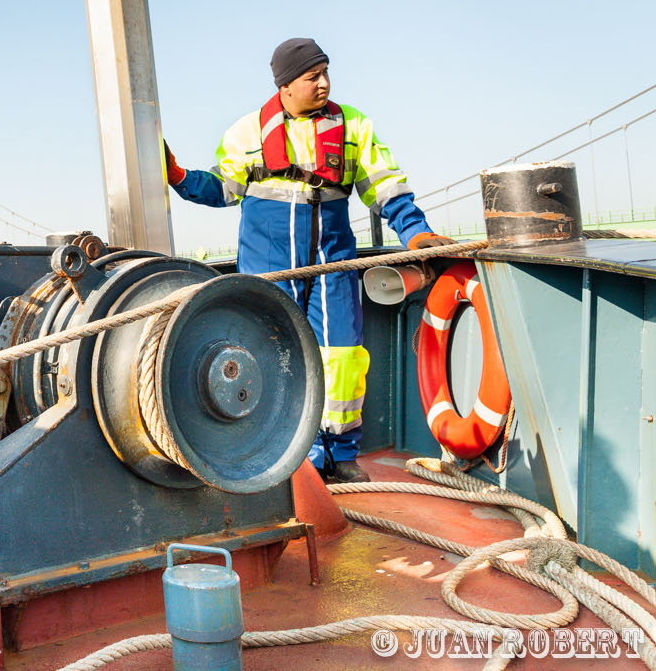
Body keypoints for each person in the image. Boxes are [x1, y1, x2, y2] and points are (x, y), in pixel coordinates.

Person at [164, 38, 454, 484]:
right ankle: (290, 462)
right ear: (284, 86)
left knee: (343, 355)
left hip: (332, 264)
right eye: (311, 77)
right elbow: (221, 188)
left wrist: (415, 233)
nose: (323, 84)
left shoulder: (353, 126)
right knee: (274, 356)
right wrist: (179, 177)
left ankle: (340, 454)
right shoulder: (247, 133)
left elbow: (387, 186)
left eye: (325, 73)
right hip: (269, 267)